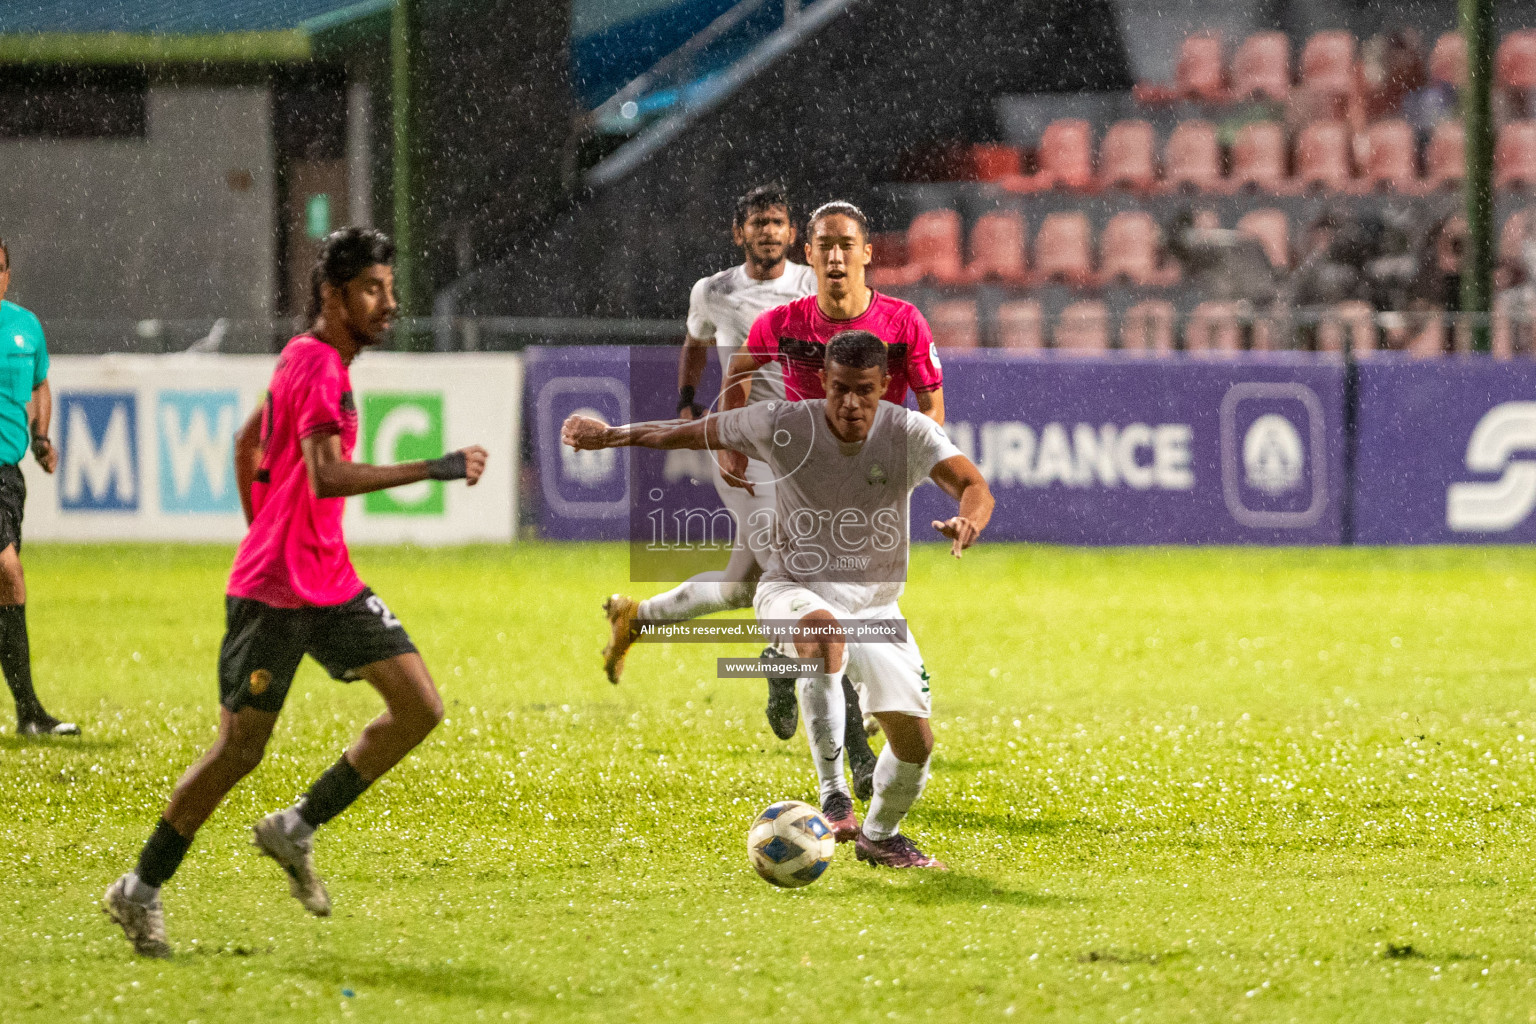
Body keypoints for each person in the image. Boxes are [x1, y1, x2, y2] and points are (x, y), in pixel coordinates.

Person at [102, 228, 488, 958]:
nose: (388, 304)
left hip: (327, 580)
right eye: (372, 290)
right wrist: (434, 467)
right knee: (238, 752)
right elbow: (327, 476)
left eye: (390, 289)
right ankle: (139, 889)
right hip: (277, 595)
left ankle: (296, 826)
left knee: (419, 707)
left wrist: (267, 527)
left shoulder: (313, 361)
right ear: (332, 295)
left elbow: (248, 443)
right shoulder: (317, 367)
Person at [563, 329, 993, 869]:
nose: (851, 403)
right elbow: (692, 433)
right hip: (793, 587)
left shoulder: (909, 432)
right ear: (822, 382)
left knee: (915, 747)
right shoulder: (784, 423)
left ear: (886, 385)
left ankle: (880, 836)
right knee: (822, 631)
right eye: (839, 389)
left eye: (864, 389)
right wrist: (613, 436)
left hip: (878, 610)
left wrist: (967, 521)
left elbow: (974, 486)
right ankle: (835, 796)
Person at [601, 183, 815, 739]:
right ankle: (786, 668)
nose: (768, 231)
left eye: (777, 222)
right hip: (746, 448)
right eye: (757, 222)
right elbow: (695, 342)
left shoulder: (814, 284)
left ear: (792, 233)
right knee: (793, 570)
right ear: (739, 231)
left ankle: (636, 616)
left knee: (739, 588)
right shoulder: (714, 291)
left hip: (806, 446)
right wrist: (687, 403)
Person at [0, 237, 76, 736]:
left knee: (5, 587)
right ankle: (29, 711)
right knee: (8, 570)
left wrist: (41, 435)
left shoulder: (25, 326)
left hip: (8, 476)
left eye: (0, 268)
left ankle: (28, 713)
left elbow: (40, 383)